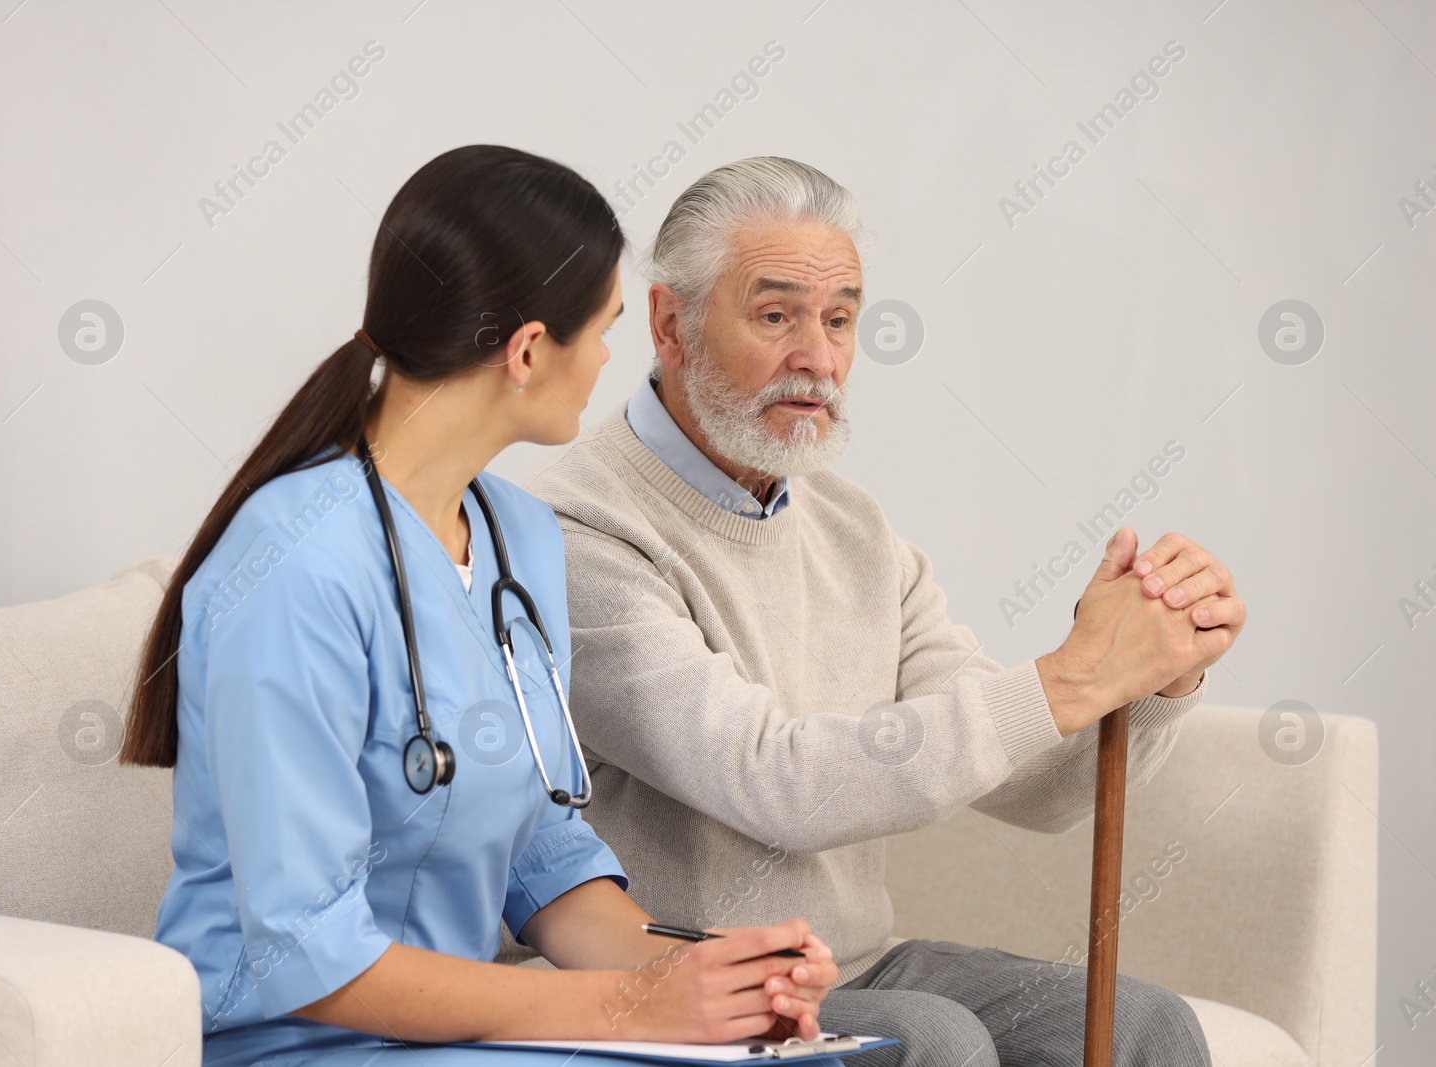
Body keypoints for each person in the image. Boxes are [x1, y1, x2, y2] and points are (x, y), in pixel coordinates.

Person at [119, 145, 840, 1067]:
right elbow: (310, 954)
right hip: (290, 1041)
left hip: (459, 1037)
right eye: (606, 328)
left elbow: (541, 851)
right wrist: (629, 1009)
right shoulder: (293, 565)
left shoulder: (522, 540)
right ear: (530, 350)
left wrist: (716, 978)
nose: (612, 359)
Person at [525, 156, 1247, 1066]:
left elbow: (1035, 787)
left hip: (852, 964)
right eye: (776, 314)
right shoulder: (576, 527)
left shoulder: (856, 528)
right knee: (934, 1040)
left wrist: (1154, 674)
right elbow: (772, 781)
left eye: (839, 320)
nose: (818, 360)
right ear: (671, 323)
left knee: (1149, 1024)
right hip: (676, 980)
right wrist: (1073, 674)